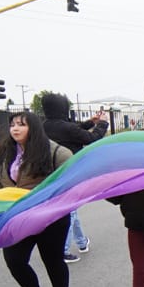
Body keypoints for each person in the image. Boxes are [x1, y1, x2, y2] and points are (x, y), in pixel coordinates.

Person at [0, 111, 74, 287]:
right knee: (14, 259)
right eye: (13, 125)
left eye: (21, 125)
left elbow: (68, 185)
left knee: (52, 259)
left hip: (49, 218)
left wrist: (49, 205)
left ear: (33, 128)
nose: (15, 129)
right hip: (16, 218)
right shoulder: (5, 153)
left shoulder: (56, 153)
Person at [40, 93, 108, 264]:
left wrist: (91, 122)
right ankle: (62, 250)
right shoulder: (66, 128)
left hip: (48, 173)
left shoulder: (43, 126)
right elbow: (92, 138)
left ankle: (81, 242)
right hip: (69, 172)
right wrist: (103, 123)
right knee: (70, 210)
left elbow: (73, 129)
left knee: (72, 209)